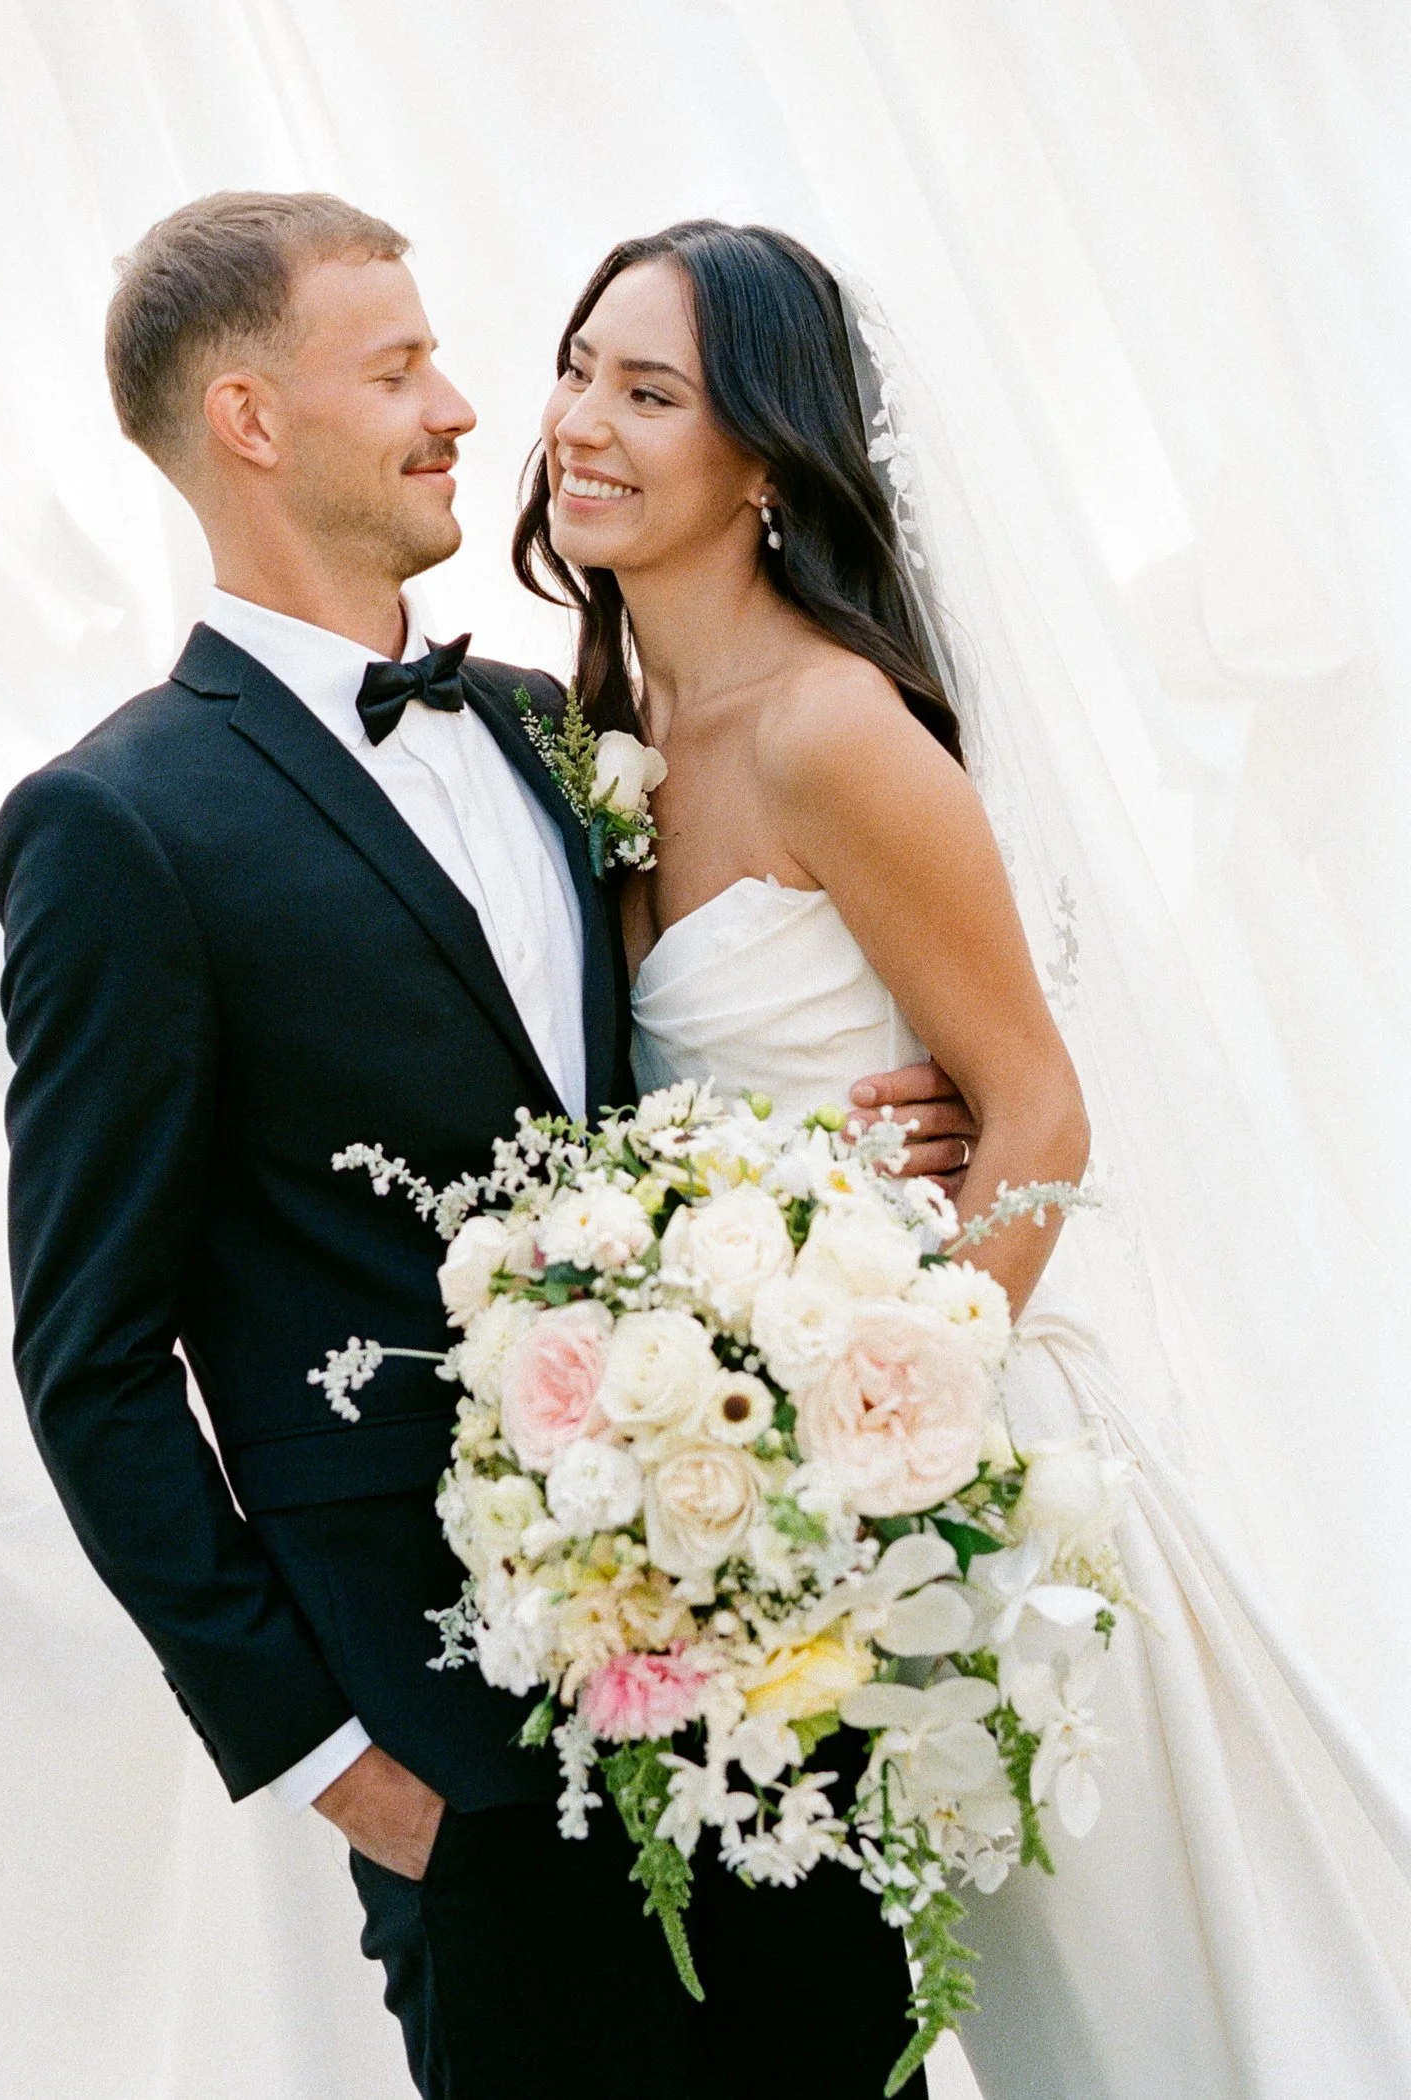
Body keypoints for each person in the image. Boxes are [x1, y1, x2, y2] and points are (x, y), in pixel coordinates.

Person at [0, 192, 978, 2100]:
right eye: (401, 366)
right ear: (255, 420)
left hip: (771, 1679)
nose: (466, 406)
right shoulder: (117, 827)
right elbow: (88, 1358)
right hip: (462, 1760)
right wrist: (337, 1765)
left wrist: (877, 1160)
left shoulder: (556, 732)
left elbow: (689, 1096)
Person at [514, 217, 1411, 2100]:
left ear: (765, 455)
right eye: (579, 369)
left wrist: (879, 1440)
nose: (581, 424)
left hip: (981, 1508)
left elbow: (1037, 1111)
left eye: (649, 392)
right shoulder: (607, 735)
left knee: (1147, 2018)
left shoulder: (837, 726)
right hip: (788, 1540)